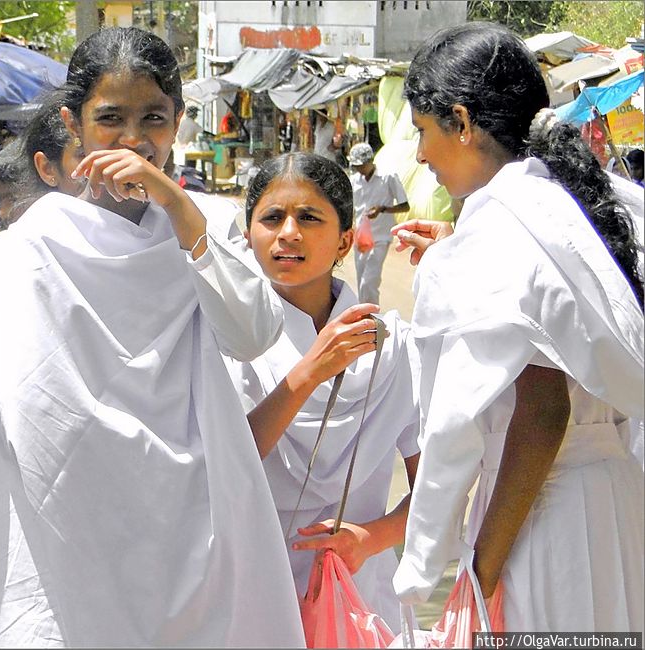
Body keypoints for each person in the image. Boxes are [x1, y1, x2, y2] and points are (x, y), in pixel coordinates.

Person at [0, 27, 305, 647]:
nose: (134, 140)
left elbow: (253, 335)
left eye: (154, 119)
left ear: (179, 123)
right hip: (55, 550)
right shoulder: (14, 257)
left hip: (190, 544)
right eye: (111, 119)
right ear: (74, 124)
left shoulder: (204, 233)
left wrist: (175, 202)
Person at [389, 22, 644, 632]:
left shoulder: (504, 228)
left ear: (462, 122)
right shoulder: (596, 201)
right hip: (617, 502)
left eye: (423, 132)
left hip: (541, 517)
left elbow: (540, 413)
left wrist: (469, 569)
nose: (421, 155)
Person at [226, 152, 421, 630]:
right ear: (250, 235)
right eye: (271, 218)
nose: (288, 232)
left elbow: (436, 486)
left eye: (309, 218)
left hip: (360, 597)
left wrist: (370, 539)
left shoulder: (394, 346)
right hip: (253, 590)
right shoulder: (226, 340)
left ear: (345, 241)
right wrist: (311, 370)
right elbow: (227, 465)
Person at [347, 142, 410, 304]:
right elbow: (351, 208)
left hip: (381, 237)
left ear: (370, 161)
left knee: (369, 281)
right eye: (356, 166)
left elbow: (405, 206)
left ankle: (372, 317)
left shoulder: (388, 177)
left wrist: (383, 209)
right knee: (361, 281)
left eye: (361, 165)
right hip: (360, 237)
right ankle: (364, 317)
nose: (359, 169)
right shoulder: (354, 181)